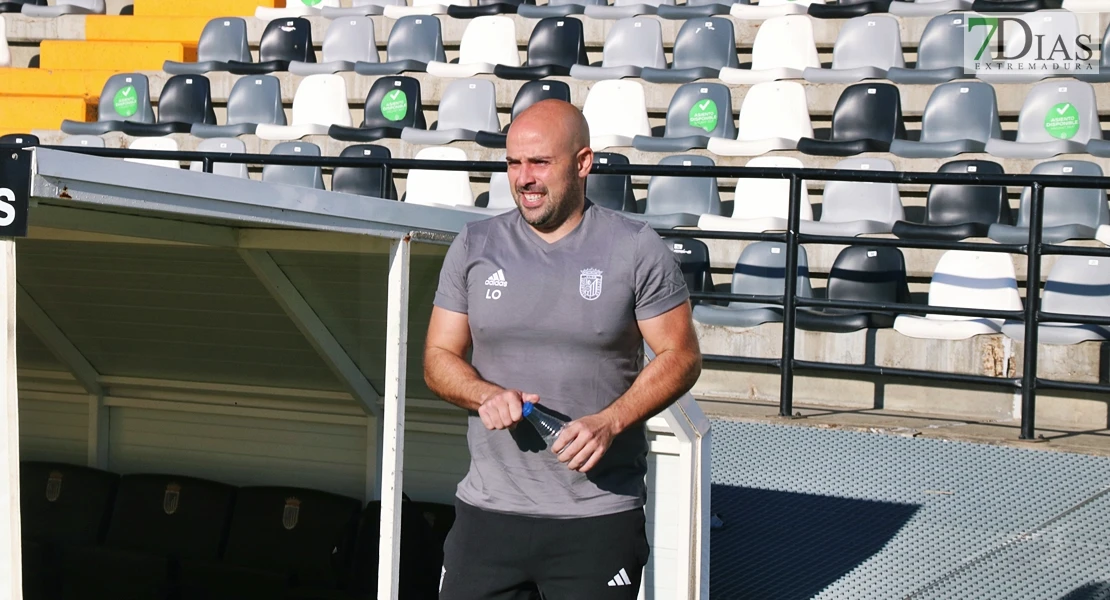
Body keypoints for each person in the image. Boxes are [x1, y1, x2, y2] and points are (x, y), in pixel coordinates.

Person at [423, 99, 703, 600]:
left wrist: (611, 421)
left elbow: (681, 356)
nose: (523, 177)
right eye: (513, 163)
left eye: (539, 162)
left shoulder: (636, 248)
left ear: (583, 163)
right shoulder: (474, 244)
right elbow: (439, 358)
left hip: (596, 517)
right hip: (489, 514)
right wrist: (484, 394)